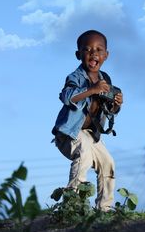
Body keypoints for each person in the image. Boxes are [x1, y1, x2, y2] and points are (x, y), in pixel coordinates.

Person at [51, 30, 123, 211]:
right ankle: (73, 205)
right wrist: (92, 90)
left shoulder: (105, 80)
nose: (93, 53)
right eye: (87, 49)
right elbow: (67, 98)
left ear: (106, 55)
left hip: (91, 134)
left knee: (108, 163)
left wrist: (116, 104)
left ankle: (104, 208)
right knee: (84, 155)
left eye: (99, 50)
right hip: (69, 133)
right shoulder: (75, 77)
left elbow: (108, 110)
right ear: (78, 54)